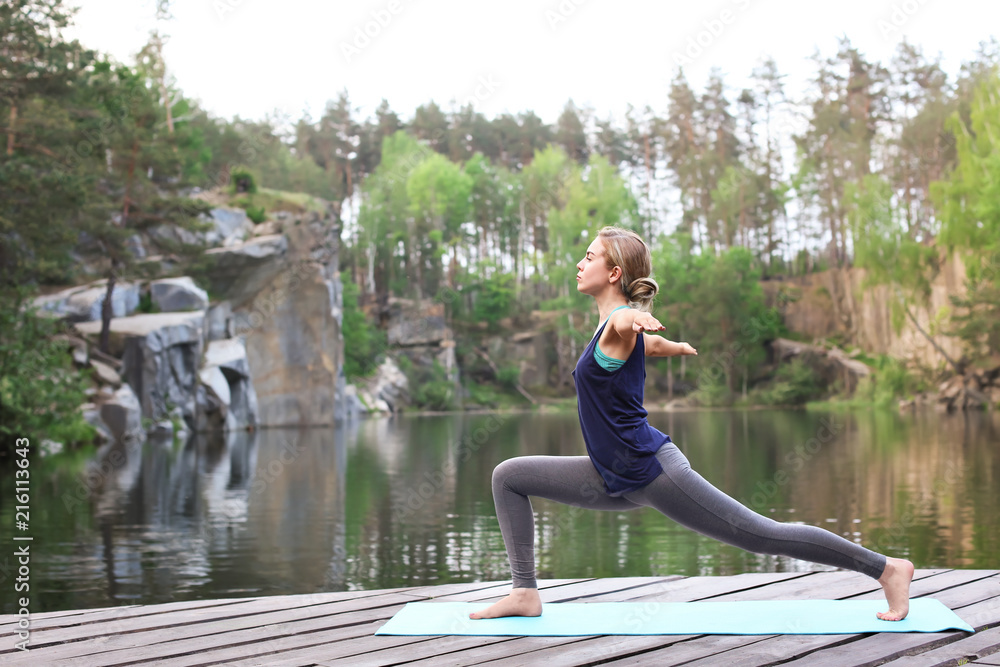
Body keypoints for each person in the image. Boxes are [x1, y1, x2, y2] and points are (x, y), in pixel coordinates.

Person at [470, 225, 913, 622]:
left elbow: (628, 324)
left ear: (614, 273)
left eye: (590, 256)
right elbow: (644, 344)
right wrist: (673, 345)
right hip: (610, 476)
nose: (579, 263)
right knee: (509, 476)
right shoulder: (608, 328)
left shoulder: (617, 323)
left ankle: (887, 569)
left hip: (652, 471)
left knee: (760, 535)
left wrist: (637, 318)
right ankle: (525, 592)